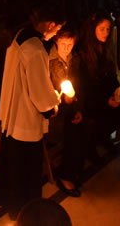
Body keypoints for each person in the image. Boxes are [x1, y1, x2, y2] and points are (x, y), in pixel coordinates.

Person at [0, 2, 64, 220]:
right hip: (24, 116)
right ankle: (22, 210)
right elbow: (39, 94)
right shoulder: (36, 51)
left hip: (12, 108)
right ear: (51, 25)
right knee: (26, 166)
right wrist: (54, 103)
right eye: (58, 30)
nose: (57, 34)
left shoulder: (22, 36)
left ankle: (9, 201)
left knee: (11, 161)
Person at [79, 11, 120, 146]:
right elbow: (87, 87)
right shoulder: (84, 52)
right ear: (93, 29)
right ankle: (97, 140)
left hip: (106, 92)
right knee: (106, 116)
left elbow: (110, 74)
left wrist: (117, 90)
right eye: (102, 29)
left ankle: (103, 137)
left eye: (108, 29)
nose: (106, 33)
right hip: (93, 97)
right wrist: (106, 100)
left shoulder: (105, 46)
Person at [48, 25, 86, 197]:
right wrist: (61, 98)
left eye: (70, 45)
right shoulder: (47, 61)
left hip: (70, 106)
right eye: (63, 44)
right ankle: (65, 175)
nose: (66, 48)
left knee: (82, 124)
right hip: (53, 109)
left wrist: (77, 106)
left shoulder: (74, 58)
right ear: (56, 40)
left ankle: (74, 170)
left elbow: (77, 84)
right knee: (73, 131)